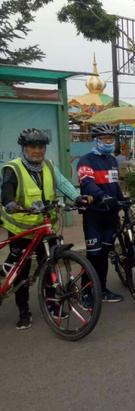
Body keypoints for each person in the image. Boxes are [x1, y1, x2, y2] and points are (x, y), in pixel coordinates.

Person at [0, 129, 89, 330]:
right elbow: (7, 191)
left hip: (45, 228)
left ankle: (53, 305)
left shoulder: (48, 166)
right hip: (21, 227)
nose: (38, 150)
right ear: (24, 148)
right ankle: (24, 312)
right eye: (32, 146)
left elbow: (63, 183)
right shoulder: (13, 168)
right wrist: (10, 203)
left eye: (41, 146)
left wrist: (77, 197)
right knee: (21, 271)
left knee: (49, 268)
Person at [77, 123, 126, 304]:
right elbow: (87, 183)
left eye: (111, 138)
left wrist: (123, 200)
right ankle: (86, 292)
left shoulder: (112, 160)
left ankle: (102, 289)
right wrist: (101, 196)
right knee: (94, 254)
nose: (108, 141)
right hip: (94, 215)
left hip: (110, 215)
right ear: (96, 140)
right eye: (105, 138)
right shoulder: (86, 160)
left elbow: (114, 185)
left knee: (104, 253)